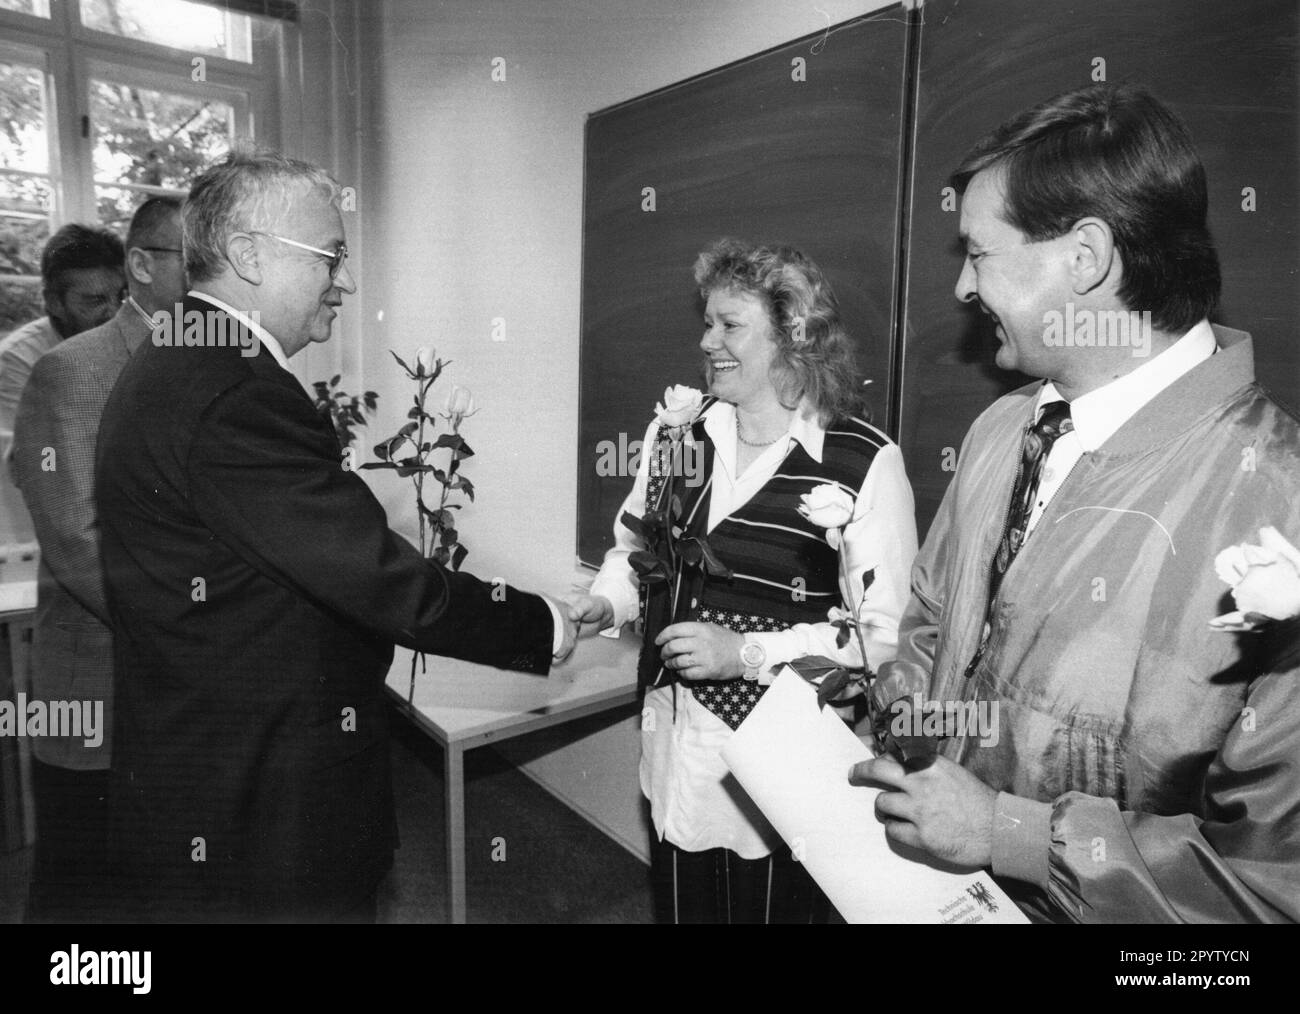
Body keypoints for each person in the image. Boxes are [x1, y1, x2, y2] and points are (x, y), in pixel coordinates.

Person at [853, 83, 1300, 923]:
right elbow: (932, 615)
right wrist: (907, 712)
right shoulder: (999, 430)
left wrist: (1006, 833)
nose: (960, 289)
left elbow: (1267, 892)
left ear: (1086, 257)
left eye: (978, 254)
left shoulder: (1281, 505)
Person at [94, 151, 576, 923]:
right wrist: (542, 622)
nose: (345, 282)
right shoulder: (234, 390)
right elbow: (380, 579)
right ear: (248, 255)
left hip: (206, 769)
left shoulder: (180, 355)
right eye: (332, 256)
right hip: (262, 802)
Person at [567, 238, 917, 923]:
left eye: (730, 325)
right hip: (674, 745)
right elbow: (634, 544)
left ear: (794, 334)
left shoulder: (862, 461)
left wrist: (747, 653)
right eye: (707, 322)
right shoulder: (677, 433)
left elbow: (885, 636)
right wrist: (602, 603)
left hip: (782, 764)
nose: (707, 341)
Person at [10, 198, 186, 923]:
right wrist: (197, 630)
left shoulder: (190, 357)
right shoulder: (66, 368)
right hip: (97, 674)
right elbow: (80, 541)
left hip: (167, 680)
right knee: (75, 881)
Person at [0, 224, 124, 544]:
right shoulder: (18, 361)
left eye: (120, 297)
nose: (112, 313)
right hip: (43, 538)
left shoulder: (130, 341)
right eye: (94, 300)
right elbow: (36, 466)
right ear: (53, 303)